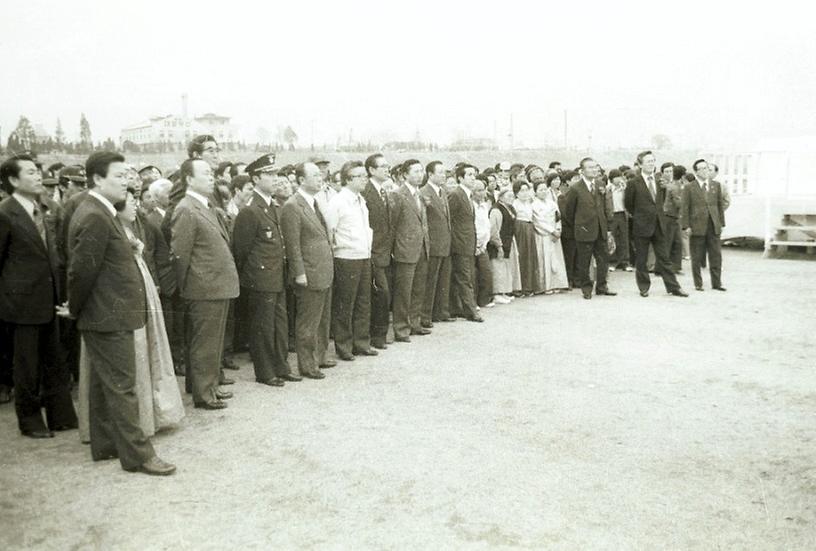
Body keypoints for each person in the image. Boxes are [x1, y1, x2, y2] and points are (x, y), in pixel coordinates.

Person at [64, 151, 175, 476]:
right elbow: (81, 272)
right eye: (119, 176)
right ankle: (139, 456)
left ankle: (106, 444)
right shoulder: (96, 215)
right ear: (97, 179)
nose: (127, 181)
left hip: (105, 314)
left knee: (103, 384)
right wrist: (75, 307)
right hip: (106, 316)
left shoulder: (100, 210)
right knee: (123, 387)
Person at [78, 189, 185, 441]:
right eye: (130, 202)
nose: (135, 206)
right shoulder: (109, 230)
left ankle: (148, 415)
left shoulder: (131, 230)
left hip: (142, 291)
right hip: (123, 302)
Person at [0, 155, 77, 438]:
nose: (38, 177)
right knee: (27, 365)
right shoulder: (5, 212)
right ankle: (30, 420)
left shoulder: (41, 208)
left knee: (55, 359)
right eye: (31, 172)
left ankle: (61, 417)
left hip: (49, 297)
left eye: (38, 171)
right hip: (21, 303)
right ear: (13, 180)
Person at [170, 158, 240, 409]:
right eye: (206, 173)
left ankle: (207, 385)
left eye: (212, 173)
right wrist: (188, 286)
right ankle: (204, 393)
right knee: (205, 342)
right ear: (189, 179)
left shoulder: (204, 205)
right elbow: (180, 255)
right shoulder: (186, 209)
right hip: (203, 287)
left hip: (214, 285)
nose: (212, 177)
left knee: (212, 341)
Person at [232, 154, 300, 388]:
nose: (275, 178)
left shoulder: (272, 206)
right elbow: (241, 251)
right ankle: (265, 371)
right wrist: (254, 277)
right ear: (256, 178)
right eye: (269, 175)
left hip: (276, 276)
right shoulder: (251, 211)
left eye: (275, 173)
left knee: (280, 324)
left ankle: (281, 365)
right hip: (261, 279)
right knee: (263, 327)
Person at [281, 162, 336, 378]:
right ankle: (307, 364)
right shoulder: (293, 206)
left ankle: (319, 357)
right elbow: (293, 244)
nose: (320, 177)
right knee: (308, 322)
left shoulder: (313, 202)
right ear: (301, 180)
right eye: (314, 175)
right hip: (310, 273)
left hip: (322, 270)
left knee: (321, 319)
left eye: (320, 174)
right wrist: (300, 273)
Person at [324, 161, 377, 361]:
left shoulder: (360, 200)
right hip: (346, 257)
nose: (364, 179)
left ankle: (361, 343)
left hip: (363, 255)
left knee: (364, 302)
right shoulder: (338, 202)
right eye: (360, 176)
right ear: (348, 180)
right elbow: (331, 231)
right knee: (345, 303)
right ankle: (343, 345)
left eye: (365, 175)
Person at [623, 151, 687, 298]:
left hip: (659, 224)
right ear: (640, 164)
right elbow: (629, 204)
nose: (651, 164)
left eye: (653, 161)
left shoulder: (660, 181)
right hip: (641, 226)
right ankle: (644, 287)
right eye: (648, 161)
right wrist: (641, 216)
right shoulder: (633, 183)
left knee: (664, 258)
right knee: (642, 259)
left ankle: (673, 287)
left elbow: (662, 200)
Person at [389, 159, 432, 341]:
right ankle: (401, 328)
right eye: (415, 171)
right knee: (403, 292)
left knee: (418, 289)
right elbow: (392, 224)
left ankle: (414, 323)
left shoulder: (419, 194)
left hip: (422, 248)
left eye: (421, 171)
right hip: (405, 250)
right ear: (405, 174)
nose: (419, 174)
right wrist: (394, 249)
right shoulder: (398, 195)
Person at [562, 158, 616, 300]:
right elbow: (569, 212)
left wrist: (607, 227)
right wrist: (580, 225)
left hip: (600, 229)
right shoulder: (575, 188)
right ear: (582, 170)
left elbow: (604, 207)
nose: (594, 170)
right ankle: (586, 288)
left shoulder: (600, 184)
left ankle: (602, 287)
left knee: (603, 260)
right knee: (584, 261)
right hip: (584, 231)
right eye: (590, 167)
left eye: (595, 167)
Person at [360, 154, 393, 350]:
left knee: (382, 294)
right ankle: (376, 336)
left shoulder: (383, 191)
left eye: (388, 166)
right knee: (380, 294)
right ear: (371, 170)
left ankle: (379, 335)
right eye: (383, 167)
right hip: (372, 251)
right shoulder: (366, 192)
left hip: (384, 252)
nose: (387, 169)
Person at [681, 159, 726, 292]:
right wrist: (686, 226)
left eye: (707, 168)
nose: (705, 171)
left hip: (713, 225)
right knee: (697, 256)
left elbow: (719, 205)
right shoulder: (689, 187)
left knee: (716, 255)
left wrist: (721, 223)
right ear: (696, 171)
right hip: (696, 226)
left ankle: (717, 283)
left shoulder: (716, 185)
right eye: (702, 168)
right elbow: (685, 207)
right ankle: (698, 284)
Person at [447, 164, 483, 322]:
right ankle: (471, 311)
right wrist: (455, 241)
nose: (473, 177)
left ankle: (458, 308)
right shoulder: (456, 194)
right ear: (460, 178)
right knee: (464, 277)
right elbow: (449, 220)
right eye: (469, 175)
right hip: (460, 243)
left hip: (468, 242)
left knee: (464, 277)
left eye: (474, 174)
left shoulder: (467, 195)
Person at [420, 161, 454, 326]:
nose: (444, 175)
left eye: (444, 172)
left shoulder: (443, 191)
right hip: (432, 245)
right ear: (430, 174)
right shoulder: (424, 192)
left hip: (445, 243)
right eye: (440, 172)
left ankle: (441, 311)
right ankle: (426, 315)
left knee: (443, 280)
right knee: (430, 282)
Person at [531, 176, 569, 293]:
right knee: (544, 259)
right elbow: (538, 221)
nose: (543, 192)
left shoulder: (552, 203)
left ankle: (557, 283)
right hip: (543, 235)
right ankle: (545, 286)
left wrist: (558, 230)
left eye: (544, 189)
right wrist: (551, 231)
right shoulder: (534, 205)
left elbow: (558, 217)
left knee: (556, 258)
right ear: (535, 192)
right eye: (540, 190)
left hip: (554, 235)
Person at [488, 189, 521, 304]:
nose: (511, 198)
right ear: (501, 197)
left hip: (508, 241)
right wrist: (498, 245)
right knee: (498, 268)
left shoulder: (510, 208)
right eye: (508, 196)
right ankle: (496, 293)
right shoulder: (496, 210)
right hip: (499, 242)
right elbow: (494, 229)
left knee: (505, 267)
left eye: (512, 196)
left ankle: (503, 292)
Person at [512, 178, 539, 296]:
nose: (524, 193)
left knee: (530, 256)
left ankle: (530, 286)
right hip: (520, 229)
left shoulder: (530, 203)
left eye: (526, 190)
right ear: (516, 193)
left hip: (529, 228)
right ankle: (521, 287)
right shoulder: (515, 204)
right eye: (522, 191)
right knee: (522, 256)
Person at [471, 179, 494, 307]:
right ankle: (473, 302)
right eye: (478, 190)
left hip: (483, 244)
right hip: (474, 244)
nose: (482, 193)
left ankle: (484, 300)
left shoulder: (484, 206)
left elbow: (486, 226)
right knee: (473, 275)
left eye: (483, 190)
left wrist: (484, 243)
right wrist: (476, 244)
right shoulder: (471, 205)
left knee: (486, 273)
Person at [605, 169, 632, 271]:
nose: (619, 179)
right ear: (611, 179)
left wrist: (625, 189)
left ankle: (625, 262)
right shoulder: (607, 190)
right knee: (612, 239)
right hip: (612, 215)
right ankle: (612, 262)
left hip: (622, 215)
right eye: (616, 177)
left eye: (620, 177)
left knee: (624, 239)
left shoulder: (624, 189)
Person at [663, 164, 686, 274]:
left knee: (677, 243)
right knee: (669, 243)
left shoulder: (673, 185)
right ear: (682, 177)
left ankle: (675, 267)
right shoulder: (675, 187)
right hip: (670, 217)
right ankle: (665, 268)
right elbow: (679, 203)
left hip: (673, 217)